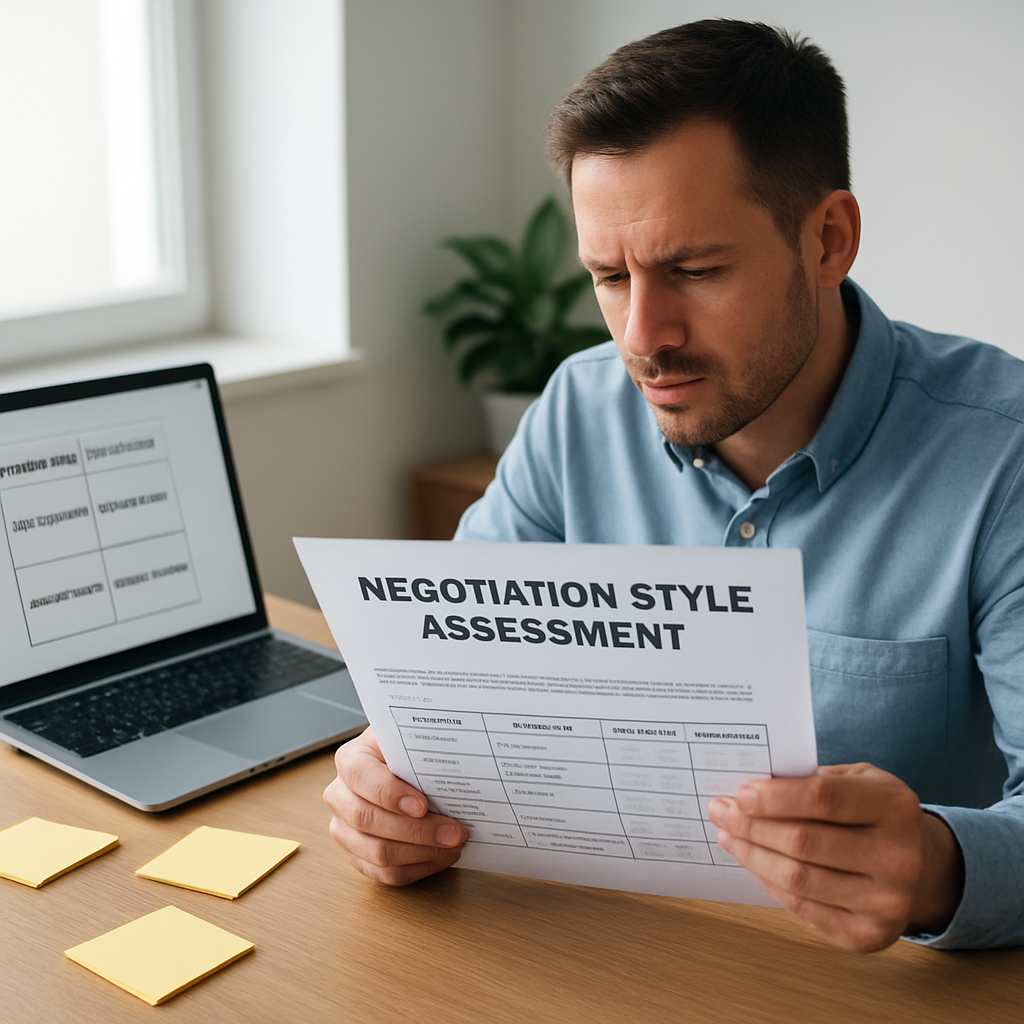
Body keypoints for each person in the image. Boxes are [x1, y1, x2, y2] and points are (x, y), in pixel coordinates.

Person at [323, 20, 1024, 952]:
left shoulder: (1004, 459)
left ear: (829, 239)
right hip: (606, 957)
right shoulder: (577, 408)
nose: (641, 336)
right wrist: (393, 794)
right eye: (609, 276)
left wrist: (938, 867)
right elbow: (451, 692)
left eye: (692, 270)